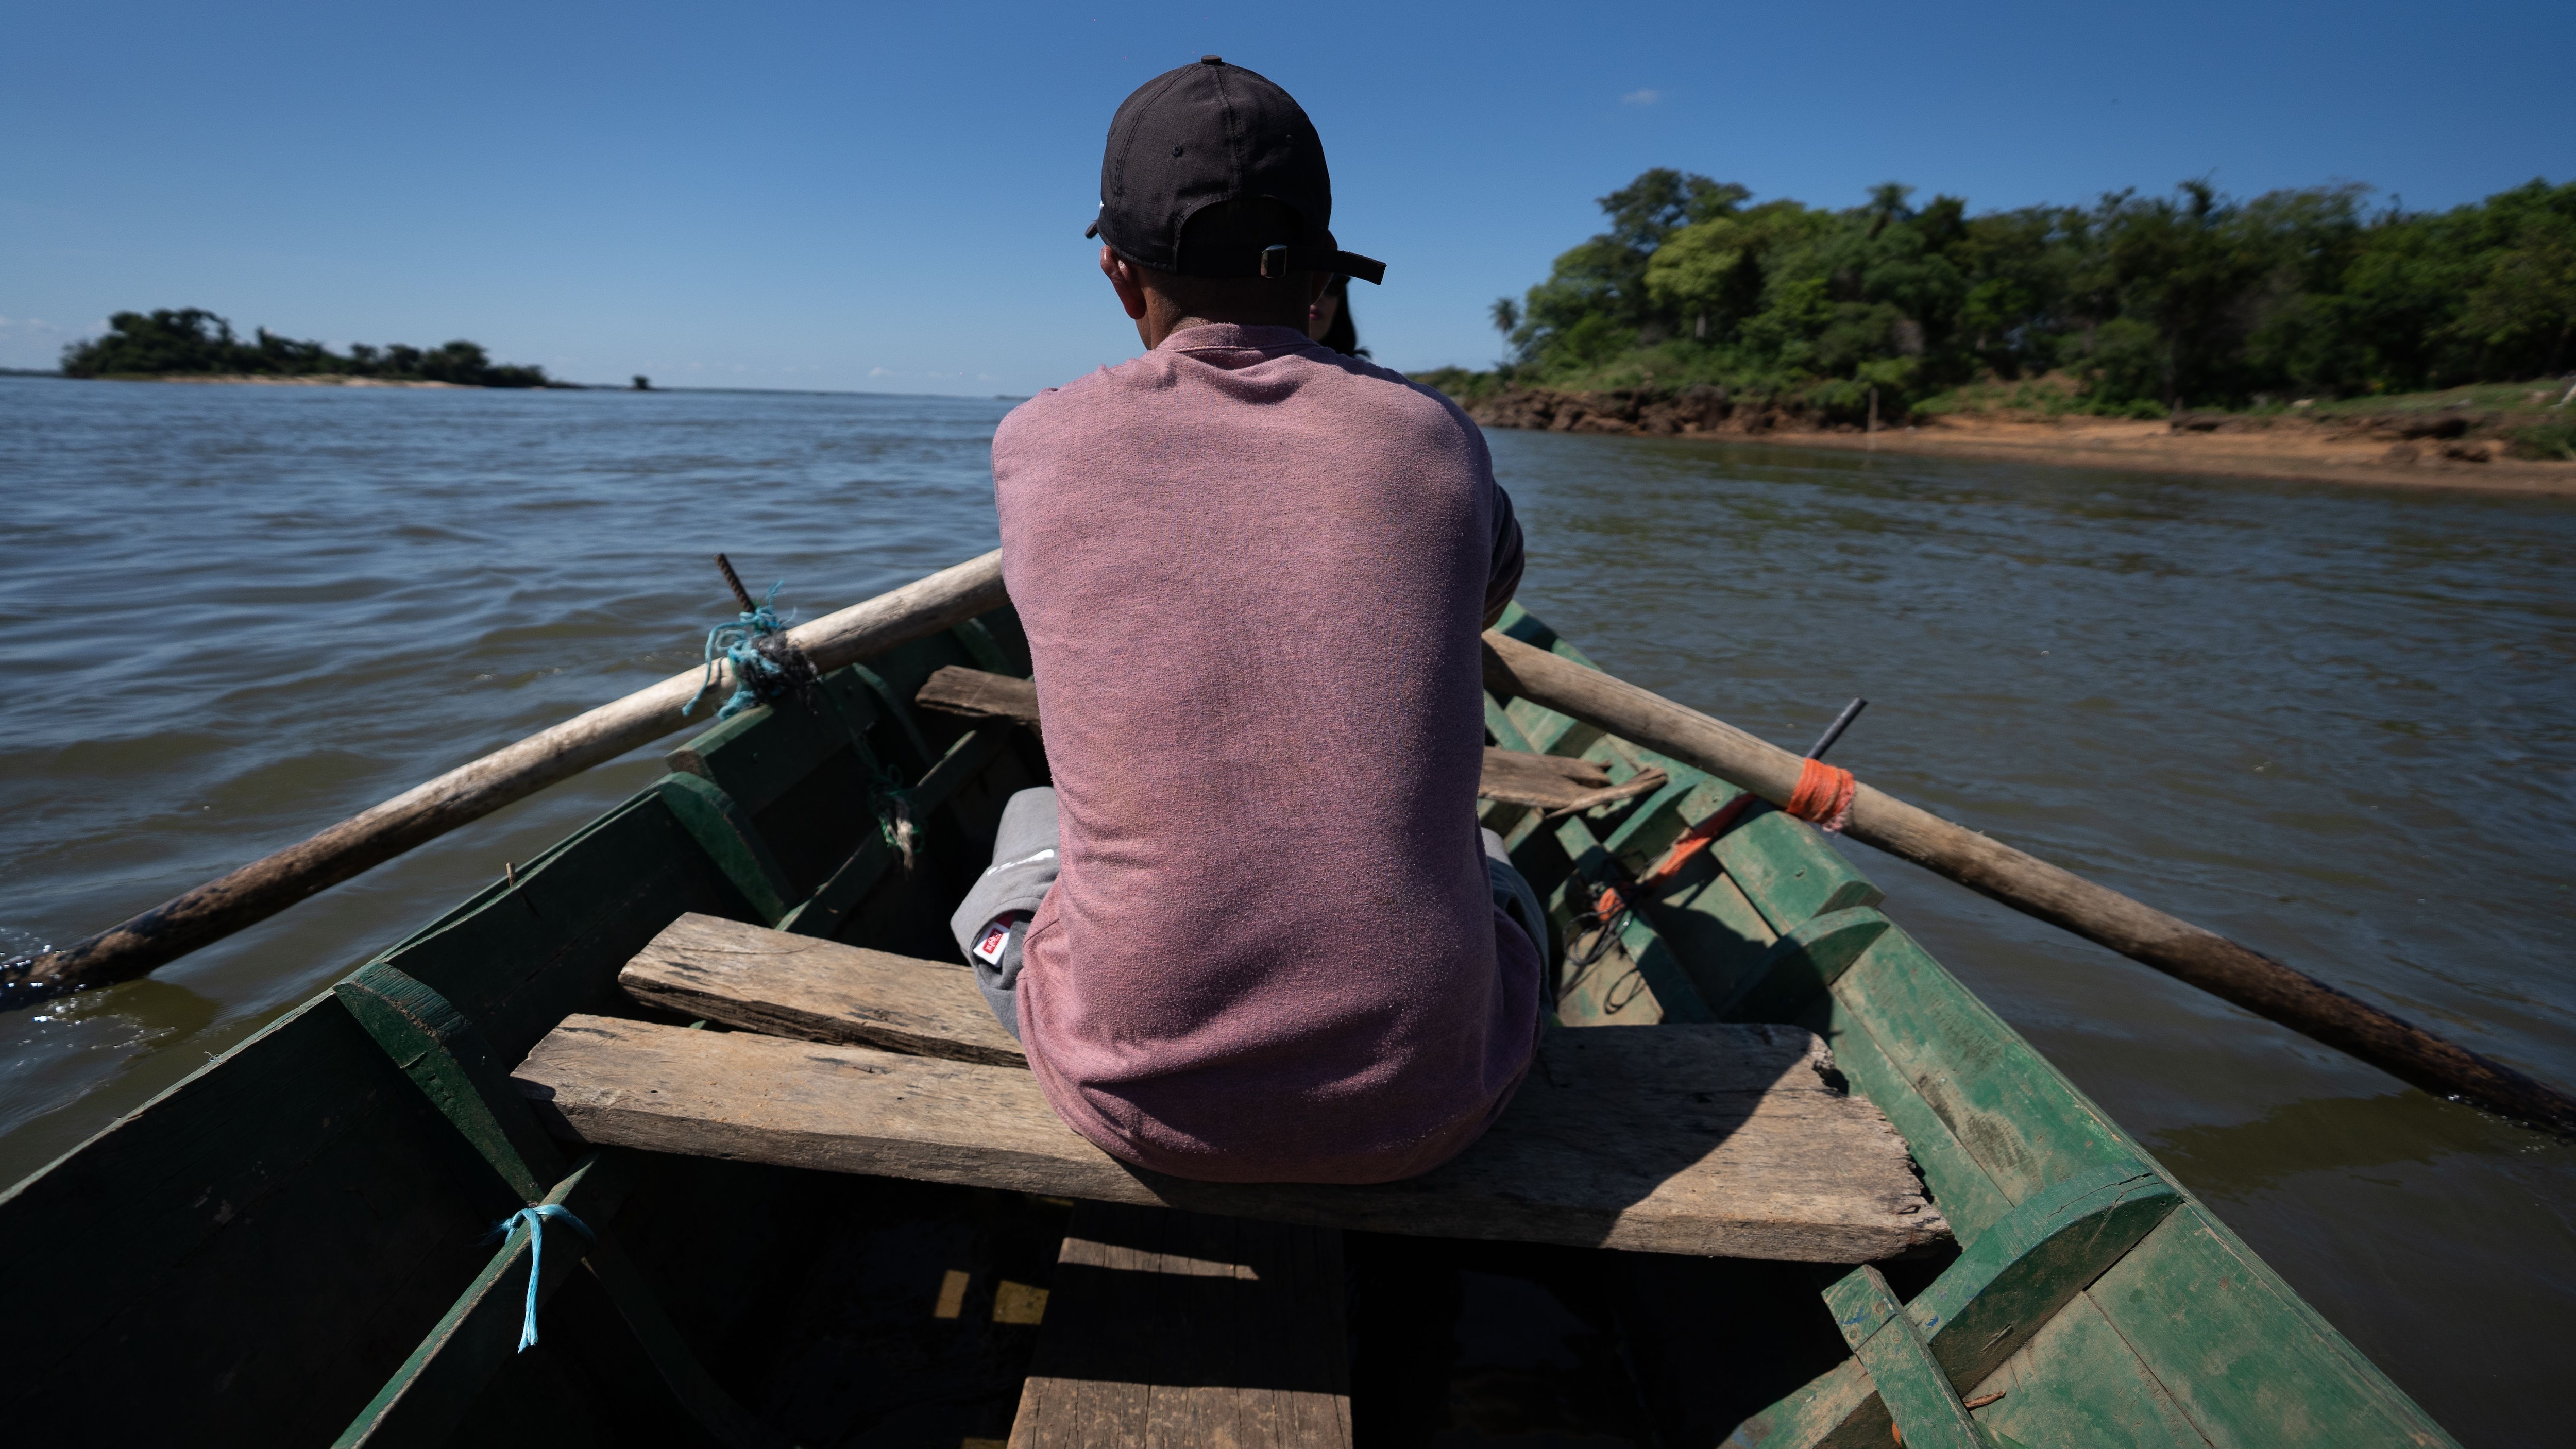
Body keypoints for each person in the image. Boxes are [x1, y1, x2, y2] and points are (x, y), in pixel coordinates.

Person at [948, 56, 1545, 1186]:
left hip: (1138, 1100)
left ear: (1122, 277)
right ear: (1317, 274)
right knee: (1492, 863)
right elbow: (1475, 607)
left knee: (1023, 834)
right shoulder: (1437, 438)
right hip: (1431, 1101)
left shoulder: (1037, 442)